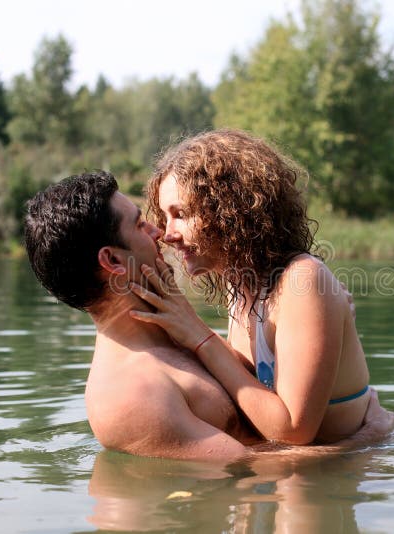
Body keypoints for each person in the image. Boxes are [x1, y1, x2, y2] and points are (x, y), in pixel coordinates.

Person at [24, 170, 393, 461]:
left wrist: (325, 320)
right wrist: (370, 438)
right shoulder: (128, 394)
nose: (159, 233)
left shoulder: (176, 334)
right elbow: (258, 473)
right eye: (139, 224)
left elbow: (275, 397)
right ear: (113, 261)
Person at [131, 129, 372, 445]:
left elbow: (293, 432)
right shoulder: (244, 285)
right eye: (165, 216)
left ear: (231, 210)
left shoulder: (302, 281)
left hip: (327, 486)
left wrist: (198, 334)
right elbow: (250, 386)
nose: (167, 233)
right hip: (289, 480)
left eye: (181, 214)